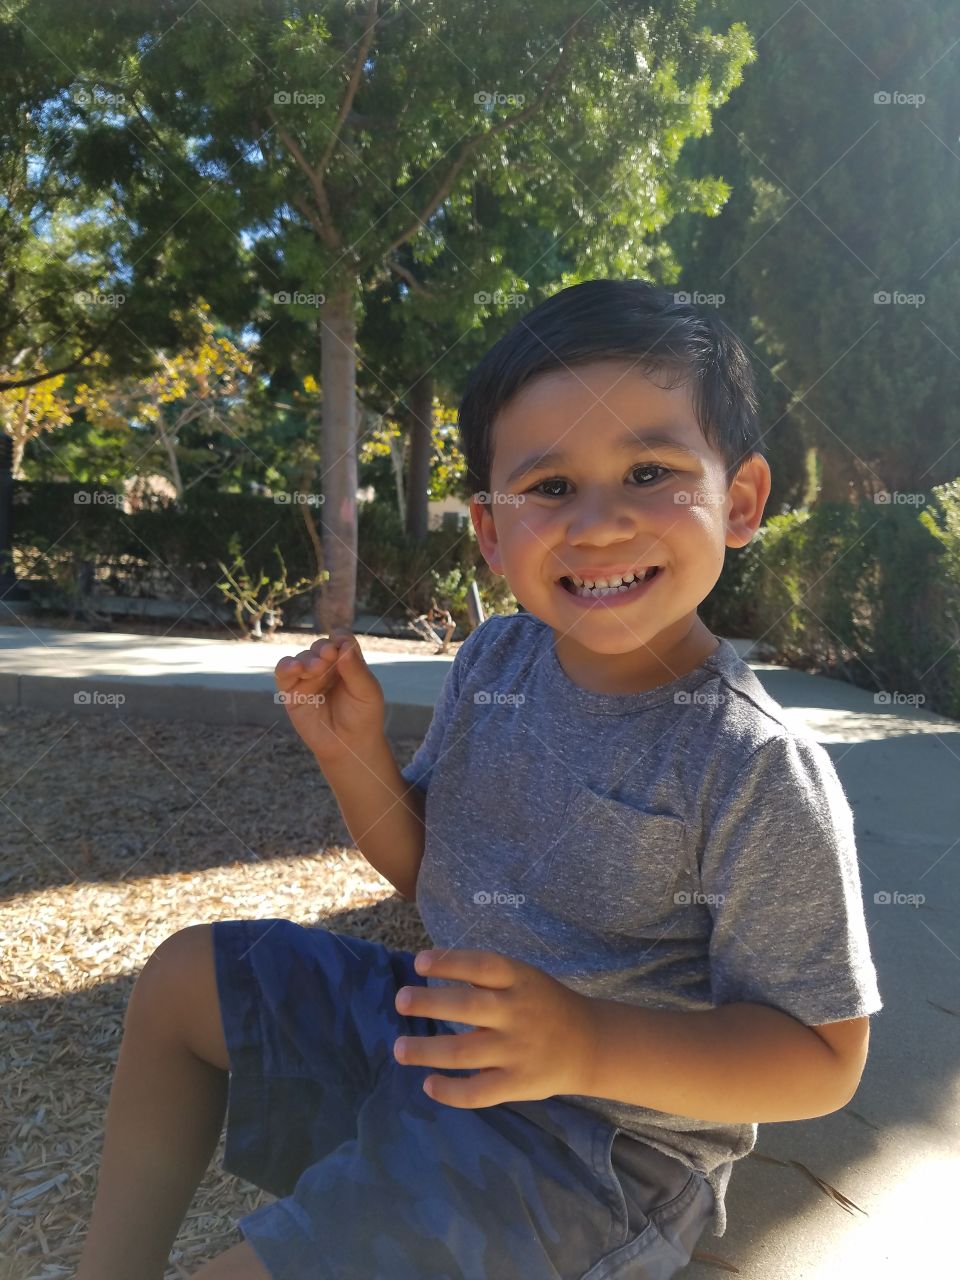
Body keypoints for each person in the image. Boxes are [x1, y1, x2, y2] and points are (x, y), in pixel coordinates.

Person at [75, 279, 882, 1280]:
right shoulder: (497, 663)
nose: (599, 522)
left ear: (743, 500)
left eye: (648, 469)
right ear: (493, 532)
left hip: (599, 1149)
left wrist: (582, 1041)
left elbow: (820, 1054)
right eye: (550, 488)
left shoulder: (752, 763)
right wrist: (351, 751)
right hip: (443, 1031)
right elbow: (428, 870)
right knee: (183, 979)